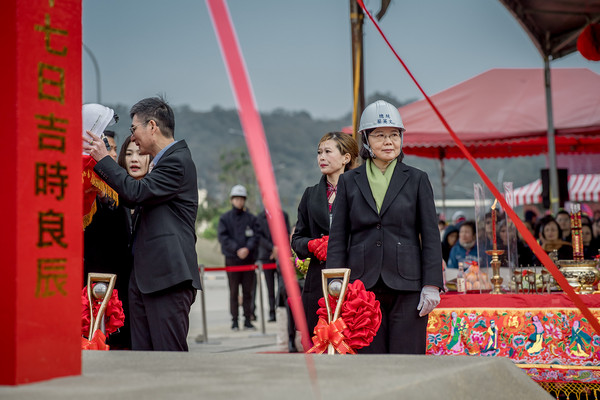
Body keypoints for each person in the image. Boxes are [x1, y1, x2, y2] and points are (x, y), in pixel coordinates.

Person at [84, 96, 201, 351]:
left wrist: (103, 159)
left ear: (152, 126)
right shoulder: (161, 165)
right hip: (146, 280)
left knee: (169, 360)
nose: (133, 137)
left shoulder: (177, 162)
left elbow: (135, 193)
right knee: (144, 362)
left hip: (167, 280)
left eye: (133, 129)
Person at [327, 100, 443, 354]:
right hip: (362, 287)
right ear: (366, 140)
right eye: (379, 135)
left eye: (394, 135)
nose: (388, 141)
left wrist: (431, 284)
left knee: (407, 357)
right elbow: (338, 237)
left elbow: (431, 236)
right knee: (371, 360)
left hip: (408, 285)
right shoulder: (348, 181)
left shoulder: (417, 179)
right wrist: (335, 284)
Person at [291, 131, 359, 338]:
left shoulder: (361, 191)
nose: (321, 157)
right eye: (319, 152)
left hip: (354, 279)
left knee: (352, 340)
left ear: (346, 158)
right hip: (318, 280)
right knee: (318, 342)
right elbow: (297, 239)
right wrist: (313, 245)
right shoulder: (310, 194)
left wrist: (341, 244)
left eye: (328, 151)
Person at [83, 130, 133, 349]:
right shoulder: (88, 188)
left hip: (120, 276)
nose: (112, 154)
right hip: (92, 277)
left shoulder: (122, 186)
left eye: (113, 148)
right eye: (107, 148)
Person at [217, 184, 259, 331]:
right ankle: (234, 321)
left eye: (241, 199)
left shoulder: (251, 219)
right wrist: (237, 249)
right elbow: (223, 237)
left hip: (248, 261)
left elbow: (255, 236)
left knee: (248, 291)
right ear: (231, 200)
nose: (239, 202)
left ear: (245, 200)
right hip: (232, 260)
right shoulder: (225, 219)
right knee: (234, 291)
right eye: (236, 199)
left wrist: (247, 248)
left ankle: (248, 319)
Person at [256, 208, 290, 323]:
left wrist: (279, 249)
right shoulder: (260, 217)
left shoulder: (283, 214)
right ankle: (271, 312)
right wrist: (272, 248)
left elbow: (287, 233)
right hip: (267, 255)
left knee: (281, 285)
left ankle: (280, 309)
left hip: (281, 255)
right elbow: (259, 236)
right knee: (269, 286)